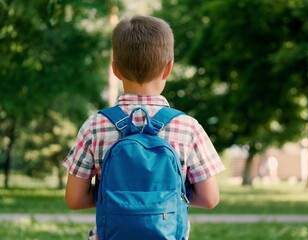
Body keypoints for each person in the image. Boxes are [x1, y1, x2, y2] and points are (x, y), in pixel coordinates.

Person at [63, 15, 225, 239]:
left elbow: (75, 199)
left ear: (115, 70)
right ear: (168, 69)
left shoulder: (95, 126)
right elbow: (210, 198)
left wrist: (116, 198)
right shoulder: (188, 127)